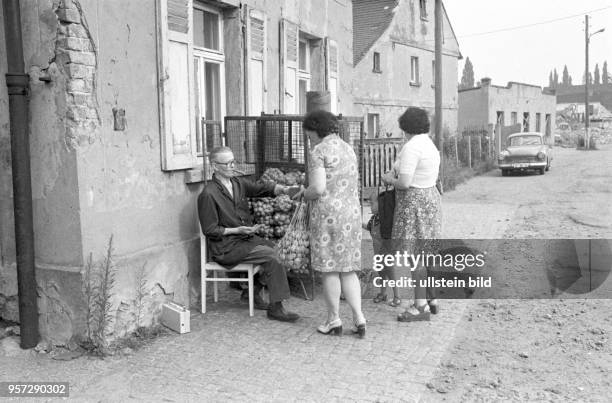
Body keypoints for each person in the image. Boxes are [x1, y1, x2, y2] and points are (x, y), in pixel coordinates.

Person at [198, 146, 300, 322]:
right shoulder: (208, 194)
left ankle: (251, 292)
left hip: (245, 240)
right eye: (227, 163)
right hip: (226, 247)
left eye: (233, 162)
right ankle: (276, 307)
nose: (232, 166)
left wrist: (285, 190)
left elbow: (261, 188)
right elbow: (210, 230)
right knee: (272, 256)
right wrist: (237, 230)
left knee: (281, 250)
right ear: (215, 166)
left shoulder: (237, 183)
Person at [297, 110, 366, 337]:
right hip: (351, 215)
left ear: (316, 130)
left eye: (309, 135)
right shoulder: (348, 148)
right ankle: (359, 318)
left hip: (328, 217)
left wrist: (303, 194)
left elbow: (318, 188)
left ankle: (333, 319)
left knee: (329, 270)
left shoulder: (318, 151)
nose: (309, 140)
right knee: (348, 269)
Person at [382, 107, 441, 322]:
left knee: (416, 256)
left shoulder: (412, 147)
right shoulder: (429, 144)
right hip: (430, 199)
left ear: (407, 127)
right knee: (426, 253)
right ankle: (431, 298)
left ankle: (420, 306)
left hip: (414, 203)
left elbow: (405, 183)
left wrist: (388, 180)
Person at [364, 191, 401, 307]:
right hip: (378, 253)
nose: (370, 206)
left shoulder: (387, 220)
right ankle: (383, 293)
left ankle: (397, 296)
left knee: (390, 271)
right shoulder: (373, 219)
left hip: (387, 251)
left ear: (381, 204)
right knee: (381, 273)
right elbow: (369, 227)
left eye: (372, 203)